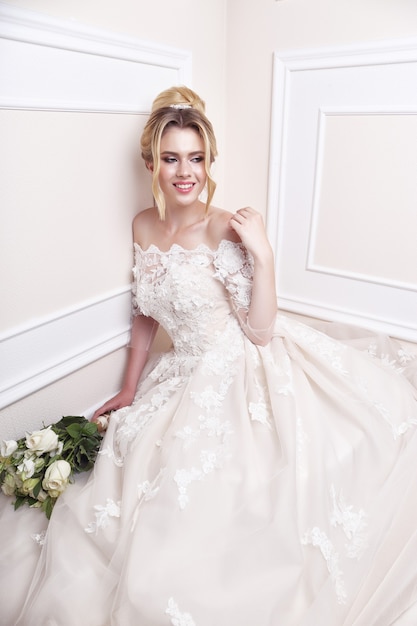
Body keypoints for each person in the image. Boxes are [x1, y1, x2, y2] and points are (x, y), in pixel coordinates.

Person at [1, 85, 417, 626]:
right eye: (172, 158)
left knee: (248, 488)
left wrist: (262, 256)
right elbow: (146, 314)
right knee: (131, 480)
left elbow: (262, 331)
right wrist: (129, 388)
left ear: (209, 161)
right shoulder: (142, 224)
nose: (185, 172)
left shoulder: (226, 227)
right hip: (178, 372)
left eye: (196, 158)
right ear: (151, 161)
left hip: (241, 362)